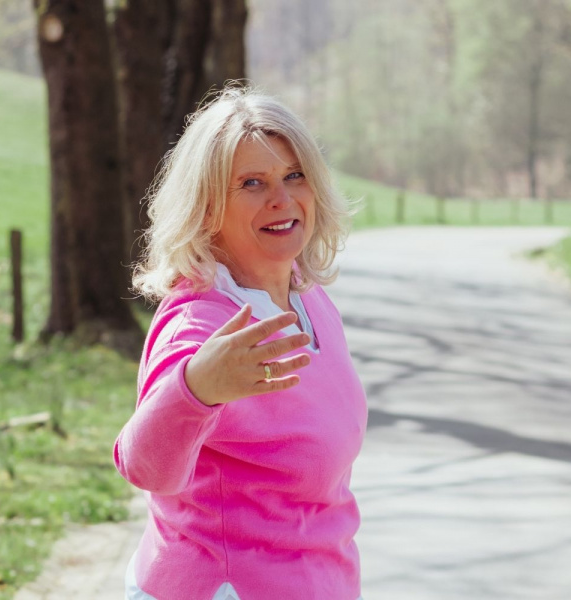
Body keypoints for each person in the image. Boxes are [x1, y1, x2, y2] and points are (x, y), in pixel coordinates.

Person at [113, 86, 367, 600]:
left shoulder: (305, 294)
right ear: (207, 210)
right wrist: (195, 389)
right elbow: (144, 466)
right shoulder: (201, 323)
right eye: (252, 183)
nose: (281, 198)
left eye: (294, 175)